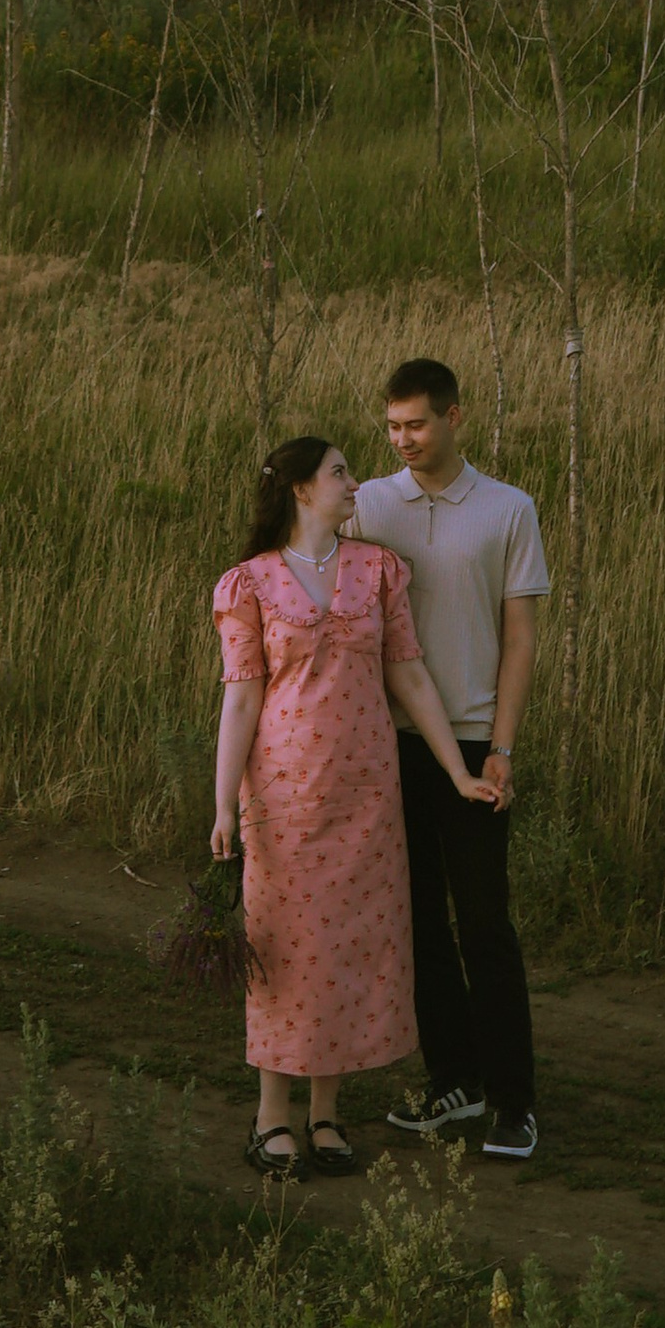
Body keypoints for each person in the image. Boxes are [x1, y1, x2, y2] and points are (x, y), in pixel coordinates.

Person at [212, 435, 498, 1182]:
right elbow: (240, 698)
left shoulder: (377, 572)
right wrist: (221, 806)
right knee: (282, 950)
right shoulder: (249, 583)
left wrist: (457, 773)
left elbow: (411, 678)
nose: (355, 482)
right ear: (303, 490)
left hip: (367, 796)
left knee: (342, 945)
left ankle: (326, 1114)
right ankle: (272, 1117)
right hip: (282, 798)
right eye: (340, 472)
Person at [353, 357, 550, 1161]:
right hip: (386, 740)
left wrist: (502, 748)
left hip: (471, 739)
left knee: (483, 923)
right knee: (417, 922)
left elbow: (521, 639)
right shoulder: (366, 504)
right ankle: (454, 1083)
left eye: (418, 425)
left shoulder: (509, 510)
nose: (403, 440)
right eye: (393, 427)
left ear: (455, 417)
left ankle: (514, 1101)